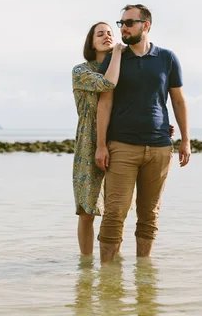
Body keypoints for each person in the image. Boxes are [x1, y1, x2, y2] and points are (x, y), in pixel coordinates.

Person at [95, 4, 191, 263]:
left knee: (149, 214)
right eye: (121, 23)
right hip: (121, 147)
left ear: (145, 26)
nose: (123, 28)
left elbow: (178, 101)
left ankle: (144, 278)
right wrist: (101, 146)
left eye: (129, 23)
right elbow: (105, 103)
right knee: (114, 212)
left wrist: (185, 141)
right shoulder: (115, 60)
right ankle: (107, 279)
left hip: (159, 147)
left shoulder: (167, 58)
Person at [71, 22, 125, 256]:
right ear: (91, 42)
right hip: (88, 139)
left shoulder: (122, 65)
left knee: (116, 207)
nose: (106, 36)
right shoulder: (81, 71)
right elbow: (107, 83)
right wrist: (118, 53)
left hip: (120, 135)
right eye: (100, 34)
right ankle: (85, 265)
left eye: (110, 33)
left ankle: (111, 264)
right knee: (88, 208)